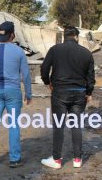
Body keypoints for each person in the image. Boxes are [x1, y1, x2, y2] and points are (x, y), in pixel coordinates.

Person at [40, 26, 95, 169]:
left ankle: (57, 160)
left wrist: (48, 83)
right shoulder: (87, 53)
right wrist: (89, 93)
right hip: (79, 93)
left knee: (59, 125)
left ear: (65, 36)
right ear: (76, 37)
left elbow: (44, 68)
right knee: (76, 125)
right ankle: (77, 159)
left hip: (59, 92)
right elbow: (90, 77)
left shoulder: (55, 50)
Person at [0, 21, 32, 168]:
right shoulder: (19, 52)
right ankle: (14, 159)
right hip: (13, 92)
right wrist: (28, 94)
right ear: (13, 35)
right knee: (14, 125)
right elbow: (26, 75)